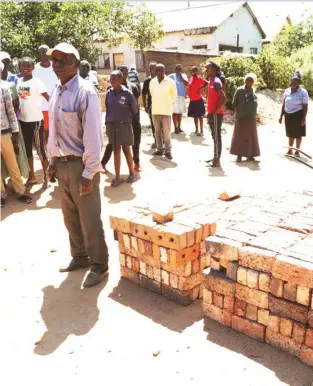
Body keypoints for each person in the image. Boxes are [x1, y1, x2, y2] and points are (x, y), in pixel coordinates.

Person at [46, 42, 109, 288]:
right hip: (62, 165)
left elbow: (94, 136)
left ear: (75, 63)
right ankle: (80, 256)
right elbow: (55, 129)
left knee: (89, 218)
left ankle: (99, 264)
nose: (57, 65)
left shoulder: (85, 92)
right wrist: (52, 159)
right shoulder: (57, 90)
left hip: (81, 167)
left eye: (62, 60)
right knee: (70, 216)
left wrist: (89, 172)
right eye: (54, 60)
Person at [1, 65, 32, 208]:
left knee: (12, 163)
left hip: (5, 132)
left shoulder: (3, 88)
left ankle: (20, 191)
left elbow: (10, 111)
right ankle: (1, 194)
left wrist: (15, 132)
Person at [101, 64, 142, 172]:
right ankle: (103, 163)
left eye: (125, 70)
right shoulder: (110, 89)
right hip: (115, 122)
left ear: (127, 73)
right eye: (121, 70)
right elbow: (108, 106)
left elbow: (135, 105)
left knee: (135, 141)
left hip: (132, 120)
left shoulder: (133, 87)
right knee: (112, 144)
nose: (123, 72)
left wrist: (135, 118)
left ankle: (136, 163)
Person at [17, 57, 49, 185]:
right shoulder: (19, 81)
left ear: (33, 68)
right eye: (23, 65)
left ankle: (48, 176)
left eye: (29, 66)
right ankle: (32, 176)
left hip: (36, 121)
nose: (26, 68)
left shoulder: (37, 82)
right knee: (28, 150)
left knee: (40, 149)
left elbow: (48, 98)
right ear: (20, 67)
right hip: (23, 121)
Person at [105, 70, 137, 187]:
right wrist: (107, 123)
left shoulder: (127, 93)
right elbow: (108, 109)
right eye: (111, 79)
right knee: (116, 150)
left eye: (114, 79)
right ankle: (117, 177)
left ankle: (132, 174)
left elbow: (135, 110)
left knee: (126, 149)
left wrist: (125, 118)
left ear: (120, 80)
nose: (112, 81)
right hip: (112, 125)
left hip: (124, 125)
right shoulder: (109, 93)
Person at [230, 73, 260, 162]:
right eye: (248, 80)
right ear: (245, 80)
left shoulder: (253, 91)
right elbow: (233, 104)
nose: (249, 81)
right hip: (241, 117)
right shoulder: (239, 90)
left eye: (251, 80)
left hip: (251, 117)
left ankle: (249, 155)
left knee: (250, 136)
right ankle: (239, 155)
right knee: (240, 136)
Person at [149, 63, 177, 160]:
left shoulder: (170, 82)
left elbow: (174, 95)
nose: (161, 72)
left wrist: (168, 103)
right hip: (155, 110)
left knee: (166, 132)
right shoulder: (152, 82)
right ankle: (159, 149)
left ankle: (168, 150)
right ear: (155, 71)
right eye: (158, 70)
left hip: (166, 111)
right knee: (157, 131)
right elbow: (152, 94)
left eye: (162, 70)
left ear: (165, 71)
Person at [203, 61, 227, 167]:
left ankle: (217, 159)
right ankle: (215, 156)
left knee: (217, 136)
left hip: (216, 114)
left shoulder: (216, 82)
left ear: (213, 70)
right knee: (214, 136)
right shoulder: (210, 81)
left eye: (207, 68)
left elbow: (224, 99)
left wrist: (214, 113)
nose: (205, 70)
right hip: (211, 113)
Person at [279, 71, 309, 157]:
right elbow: (284, 104)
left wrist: (303, 118)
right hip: (288, 115)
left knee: (298, 134)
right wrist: (281, 116)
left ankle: (297, 151)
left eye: (295, 81)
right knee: (290, 133)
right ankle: (290, 150)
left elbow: (305, 106)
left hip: (298, 115)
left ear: (298, 83)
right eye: (292, 80)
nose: (293, 82)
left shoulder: (303, 92)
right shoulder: (287, 91)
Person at [33, 45, 58, 144]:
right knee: (44, 130)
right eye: (42, 51)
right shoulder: (35, 68)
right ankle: (47, 151)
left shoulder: (56, 65)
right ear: (39, 53)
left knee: (56, 129)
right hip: (41, 105)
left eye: (46, 51)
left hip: (56, 103)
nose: (44, 53)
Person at [169, 64, 188, 134]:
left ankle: (179, 127)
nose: (179, 70)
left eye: (180, 69)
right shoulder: (172, 76)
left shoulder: (184, 75)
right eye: (177, 69)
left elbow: (187, 84)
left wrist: (182, 78)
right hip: (174, 97)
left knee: (180, 113)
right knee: (175, 113)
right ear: (175, 69)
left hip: (182, 96)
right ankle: (175, 127)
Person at [187, 66, 206, 136]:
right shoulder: (190, 79)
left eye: (194, 71)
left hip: (198, 100)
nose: (193, 72)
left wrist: (200, 88)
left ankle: (201, 131)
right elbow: (189, 86)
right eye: (192, 71)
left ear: (197, 71)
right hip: (192, 100)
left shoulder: (199, 78)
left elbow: (206, 83)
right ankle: (196, 130)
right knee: (195, 116)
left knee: (200, 116)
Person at [142, 61, 157, 148]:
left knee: (162, 125)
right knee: (153, 124)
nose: (152, 70)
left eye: (154, 68)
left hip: (161, 106)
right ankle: (156, 140)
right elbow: (144, 94)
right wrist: (145, 106)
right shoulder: (147, 81)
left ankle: (162, 141)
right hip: (151, 106)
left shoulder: (161, 80)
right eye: (151, 68)